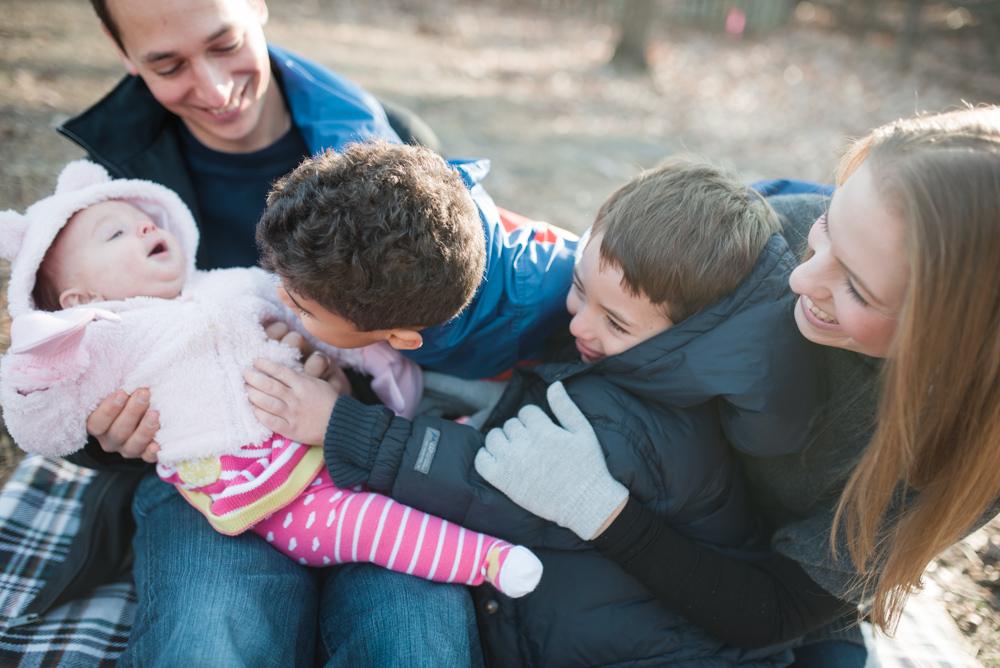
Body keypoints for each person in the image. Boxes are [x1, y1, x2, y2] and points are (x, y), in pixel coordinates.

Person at [19, 1, 574, 665]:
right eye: (167, 65)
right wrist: (109, 438)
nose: (215, 88)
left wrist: (349, 390)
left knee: (414, 637)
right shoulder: (110, 188)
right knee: (208, 633)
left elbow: (438, 338)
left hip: (365, 463)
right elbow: (65, 372)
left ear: (257, 6)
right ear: (123, 53)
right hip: (205, 481)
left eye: (224, 44)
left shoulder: (388, 145)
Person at [473, 105, 1000, 666]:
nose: (801, 277)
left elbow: (776, 610)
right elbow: (611, 295)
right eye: (829, 226)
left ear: (948, 338)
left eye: (859, 291)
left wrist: (602, 510)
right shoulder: (784, 229)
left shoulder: (961, 448)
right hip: (662, 481)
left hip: (752, 585)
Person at [252, 155, 828, 666]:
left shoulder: (632, 418)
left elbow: (495, 483)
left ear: (688, 332)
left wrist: (342, 425)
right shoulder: (620, 359)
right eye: (580, 290)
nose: (578, 324)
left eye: (616, 321)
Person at [1, 158, 545, 600]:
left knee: (412, 527)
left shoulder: (236, 284)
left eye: (144, 218)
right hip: (259, 494)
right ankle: (487, 561)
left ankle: (478, 470)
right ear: (81, 301)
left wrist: (371, 378)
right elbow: (42, 426)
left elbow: (337, 328)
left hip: (338, 441)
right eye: (115, 232)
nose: (146, 225)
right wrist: (49, 380)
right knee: (367, 527)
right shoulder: (100, 339)